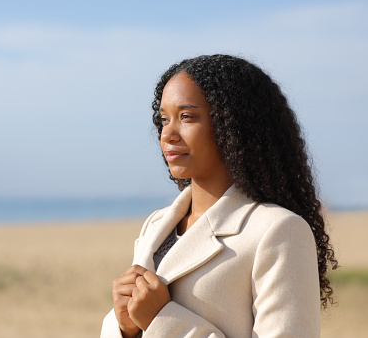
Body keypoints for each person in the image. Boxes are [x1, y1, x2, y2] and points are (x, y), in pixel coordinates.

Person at [100, 54, 337, 338]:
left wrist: (162, 321)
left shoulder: (279, 230)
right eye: (164, 119)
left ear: (233, 126)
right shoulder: (156, 225)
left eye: (187, 117)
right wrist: (125, 327)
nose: (168, 134)